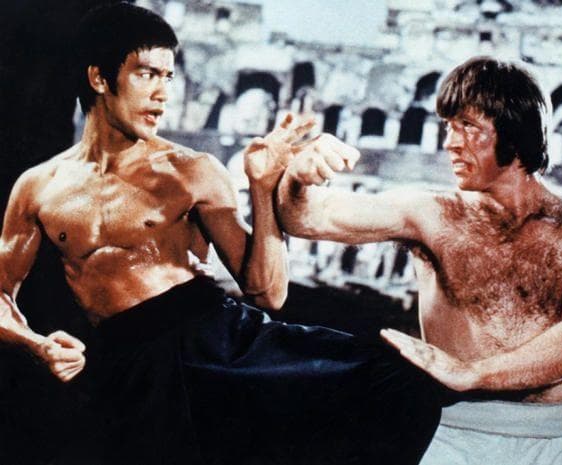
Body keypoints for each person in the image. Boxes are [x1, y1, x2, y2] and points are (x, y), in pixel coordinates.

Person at [0, 3, 440, 464]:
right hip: (131, 367)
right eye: (147, 75)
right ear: (99, 78)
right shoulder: (38, 187)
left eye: (169, 77)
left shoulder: (191, 171)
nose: (162, 94)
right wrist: (38, 346)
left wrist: (263, 187)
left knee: (398, 383)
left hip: (217, 342)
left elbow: (268, 293)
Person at [277, 56, 562, 464]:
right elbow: (305, 218)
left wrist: (473, 374)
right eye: (448, 126)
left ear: (515, 130)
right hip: (453, 439)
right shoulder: (431, 213)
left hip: (557, 442)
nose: (450, 143)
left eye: (467, 126)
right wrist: (297, 178)